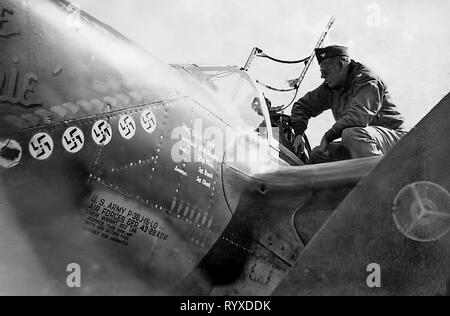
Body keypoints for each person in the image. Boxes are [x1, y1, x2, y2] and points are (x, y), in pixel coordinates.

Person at [291, 45, 407, 164]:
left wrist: (328, 136)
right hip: (363, 144)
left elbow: (358, 118)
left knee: (352, 134)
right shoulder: (331, 88)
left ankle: (382, 178)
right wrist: (298, 133)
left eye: (325, 71)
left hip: (397, 142)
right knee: (318, 155)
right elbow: (302, 106)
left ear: (341, 65)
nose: (322, 76)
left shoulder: (367, 80)